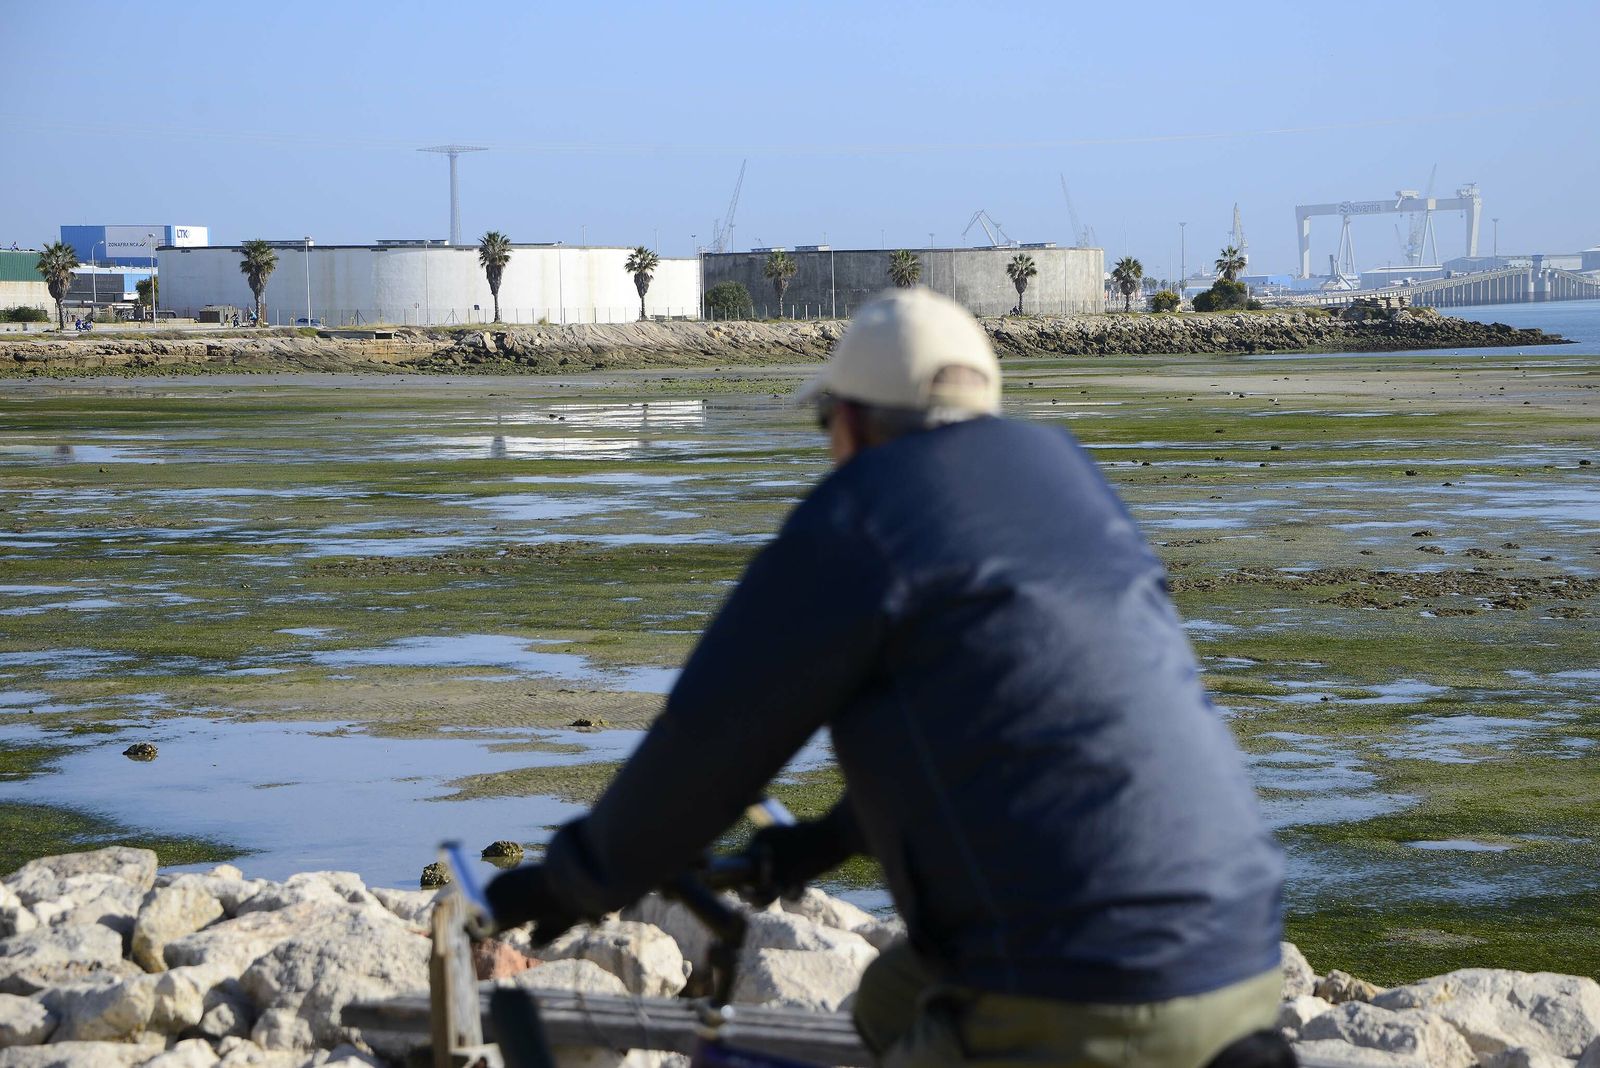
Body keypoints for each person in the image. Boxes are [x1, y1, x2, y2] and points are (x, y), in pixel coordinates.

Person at [486, 288, 1286, 1067]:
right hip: (1242, 960)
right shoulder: (1067, 484)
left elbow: (710, 745)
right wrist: (825, 843)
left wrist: (577, 880)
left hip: (1079, 993)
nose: (828, 442)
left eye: (825, 419)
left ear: (859, 422)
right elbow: (1006, 734)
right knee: (886, 1001)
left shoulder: (860, 516)